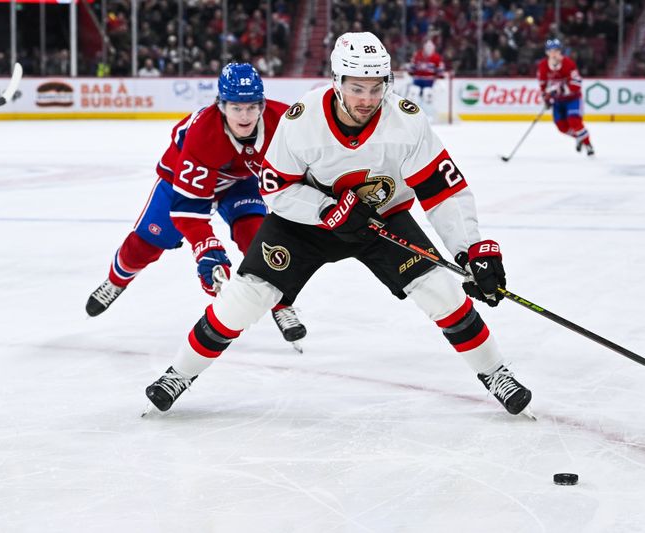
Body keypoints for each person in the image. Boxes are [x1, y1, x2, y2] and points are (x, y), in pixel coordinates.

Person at [143, 32, 533, 417]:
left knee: (440, 290)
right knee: (246, 298)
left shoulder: (407, 123)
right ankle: (179, 374)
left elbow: (442, 190)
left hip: (381, 218)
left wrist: (470, 250)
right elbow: (276, 190)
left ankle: (496, 373)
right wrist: (325, 209)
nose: (367, 100)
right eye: (356, 88)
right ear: (337, 81)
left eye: (376, 88)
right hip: (305, 224)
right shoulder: (302, 120)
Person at [86, 63, 307, 347]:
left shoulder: (285, 122)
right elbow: (189, 212)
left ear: (263, 105)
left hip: (240, 180)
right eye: (236, 107)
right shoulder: (203, 134)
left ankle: (281, 303)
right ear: (220, 105)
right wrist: (207, 251)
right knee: (145, 245)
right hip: (181, 180)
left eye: (252, 107)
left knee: (258, 238)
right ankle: (117, 279)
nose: (244, 116)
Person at [537, 38, 594, 156]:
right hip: (558, 101)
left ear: (560, 51)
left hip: (572, 99)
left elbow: (577, 83)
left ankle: (588, 145)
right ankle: (580, 137)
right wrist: (546, 98)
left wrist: (562, 90)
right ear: (546, 53)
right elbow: (543, 84)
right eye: (550, 51)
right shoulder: (543, 66)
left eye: (556, 50)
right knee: (561, 126)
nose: (553, 54)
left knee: (574, 121)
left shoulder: (569, 64)